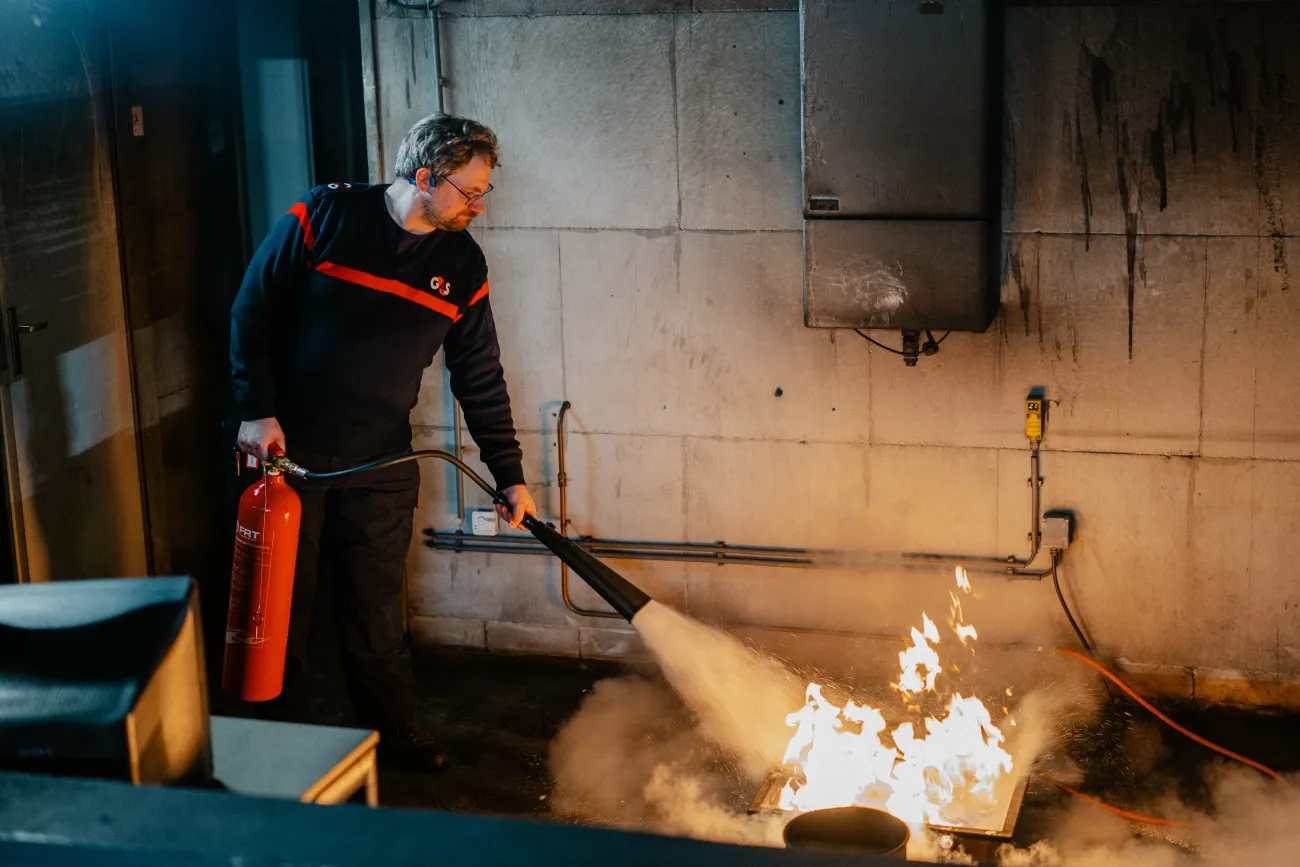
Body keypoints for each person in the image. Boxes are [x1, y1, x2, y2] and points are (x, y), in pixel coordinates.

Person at [228, 113, 536, 770]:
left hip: (384, 459)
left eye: (484, 191)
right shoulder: (326, 217)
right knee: (286, 610)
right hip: (290, 455)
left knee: (375, 611)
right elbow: (251, 307)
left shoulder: (461, 263)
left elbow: (478, 371)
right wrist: (255, 410)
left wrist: (509, 472)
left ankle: (396, 736)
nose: (479, 205)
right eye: (469, 191)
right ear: (424, 177)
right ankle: (280, 747)